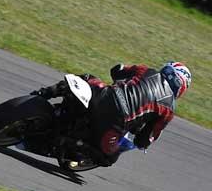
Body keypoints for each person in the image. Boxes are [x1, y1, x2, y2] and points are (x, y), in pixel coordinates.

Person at [33, 61, 191, 166]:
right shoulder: (168, 110)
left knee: (87, 78)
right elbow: (144, 139)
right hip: (115, 123)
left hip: (103, 94)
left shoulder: (146, 70)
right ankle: (66, 143)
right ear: (181, 88)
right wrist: (142, 139)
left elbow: (117, 70)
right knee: (109, 157)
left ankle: (44, 92)